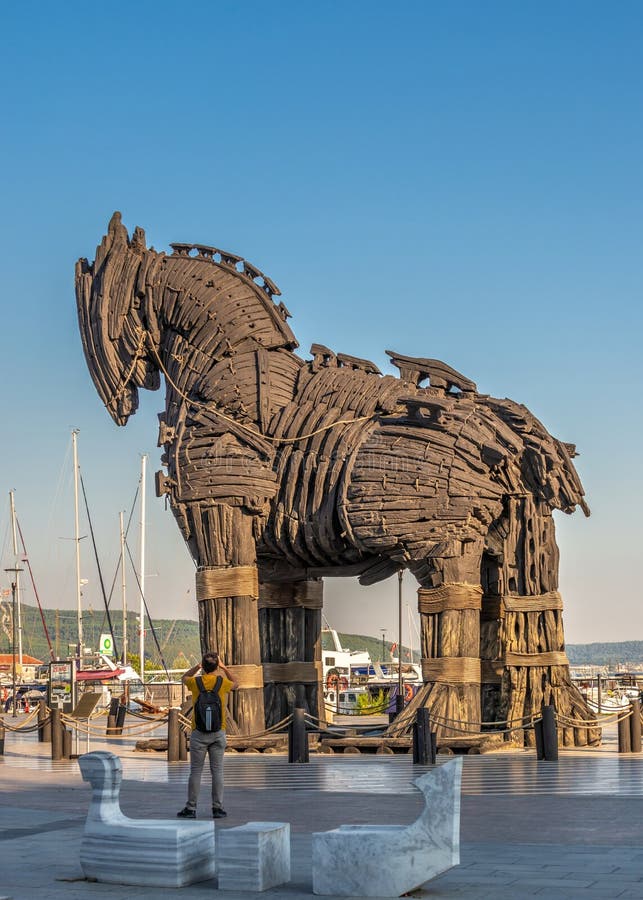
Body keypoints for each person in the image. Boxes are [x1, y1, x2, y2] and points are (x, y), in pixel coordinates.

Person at [176, 651, 237, 819]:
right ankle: (217, 808)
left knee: (196, 771)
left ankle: (191, 808)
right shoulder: (222, 682)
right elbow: (236, 684)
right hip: (218, 732)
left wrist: (196, 667)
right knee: (217, 771)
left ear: (203, 666)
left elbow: (183, 677)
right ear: (217, 666)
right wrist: (224, 668)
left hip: (199, 733)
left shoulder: (196, 682)